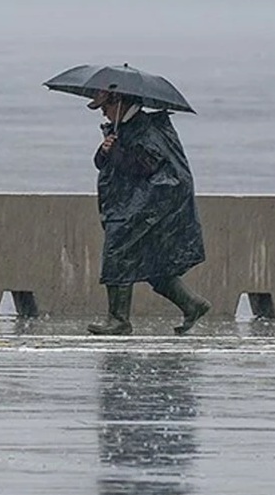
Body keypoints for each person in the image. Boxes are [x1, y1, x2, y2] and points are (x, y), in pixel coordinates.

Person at [85, 89, 210, 335]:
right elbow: (102, 164)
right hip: (127, 205)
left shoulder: (146, 130)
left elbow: (145, 166)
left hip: (145, 208)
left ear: (118, 103)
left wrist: (116, 151)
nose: (103, 112)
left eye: (105, 107)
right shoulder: (121, 128)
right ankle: (192, 304)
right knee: (153, 263)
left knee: (117, 254)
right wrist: (105, 151)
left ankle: (118, 320)